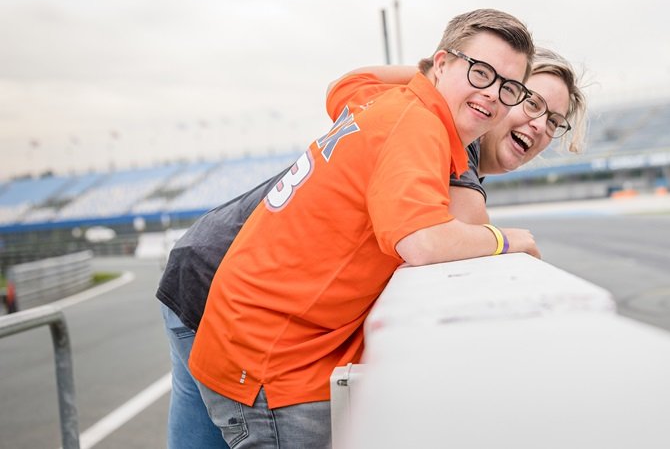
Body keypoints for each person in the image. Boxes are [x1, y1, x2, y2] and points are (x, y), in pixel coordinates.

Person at [156, 46, 587, 449]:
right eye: (530, 102)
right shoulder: (446, 136)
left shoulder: (422, 114)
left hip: (217, 273)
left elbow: (346, 84)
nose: (538, 125)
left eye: (554, 121)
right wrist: (450, 79)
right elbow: (454, 229)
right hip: (223, 291)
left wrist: (441, 76)